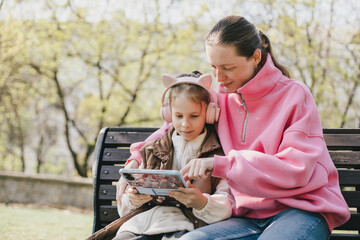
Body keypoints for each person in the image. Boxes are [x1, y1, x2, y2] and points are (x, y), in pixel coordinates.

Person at [117, 15, 351, 239]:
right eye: (213, 67)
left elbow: (295, 168)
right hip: (245, 214)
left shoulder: (295, 95)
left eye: (228, 68)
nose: (219, 77)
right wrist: (136, 159)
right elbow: (170, 129)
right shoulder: (218, 99)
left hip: (301, 209)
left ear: (256, 57)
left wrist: (221, 164)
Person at [113, 71, 233, 240]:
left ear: (208, 113)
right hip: (139, 225)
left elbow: (226, 204)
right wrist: (133, 199)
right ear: (168, 114)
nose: (185, 124)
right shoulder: (152, 150)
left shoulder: (217, 155)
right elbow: (124, 210)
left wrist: (202, 202)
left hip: (185, 227)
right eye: (178, 116)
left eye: (194, 116)